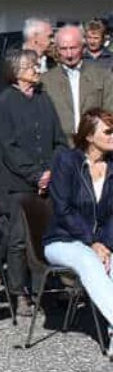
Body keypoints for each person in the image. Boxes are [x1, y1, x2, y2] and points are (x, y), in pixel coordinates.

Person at [0, 48, 67, 316]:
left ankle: (43, 290)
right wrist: (36, 175)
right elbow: (8, 147)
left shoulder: (43, 99)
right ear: (15, 73)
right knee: (19, 239)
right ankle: (18, 292)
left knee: (47, 235)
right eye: (31, 66)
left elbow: (59, 139)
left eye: (37, 65)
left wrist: (50, 171)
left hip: (48, 180)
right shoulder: (3, 103)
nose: (37, 69)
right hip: (18, 183)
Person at [42, 107, 113, 340]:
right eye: (109, 132)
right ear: (89, 136)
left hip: (100, 242)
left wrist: (103, 242)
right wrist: (91, 242)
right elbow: (63, 210)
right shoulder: (66, 160)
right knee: (88, 259)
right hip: (63, 239)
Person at [39, 24, 113, 137]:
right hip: (61, 146)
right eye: (63, 49)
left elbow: (109, 111)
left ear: (83, 48)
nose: (69, 54)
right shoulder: (46, 80)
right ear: (57, 49)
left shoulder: (102, 76)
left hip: (94, 145)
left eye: (73, 48)